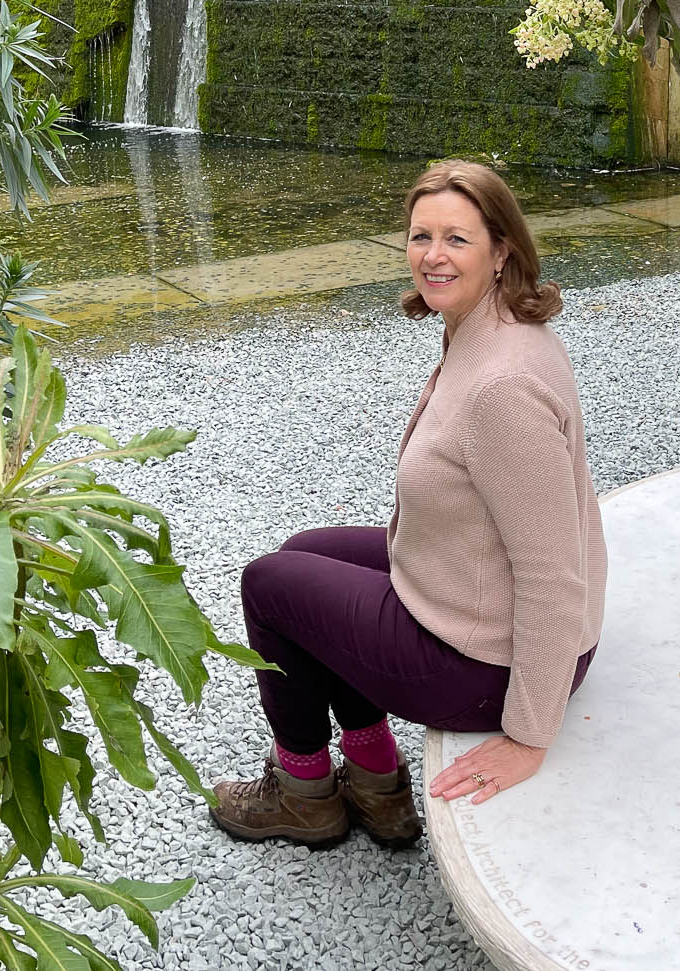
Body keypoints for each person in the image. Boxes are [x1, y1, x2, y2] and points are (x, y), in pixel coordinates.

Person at [211, 158, 607, 850]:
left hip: (483, 664)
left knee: (267, 584)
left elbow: (553, 571)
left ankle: (304, 794)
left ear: (501, 247)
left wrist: (528, 736)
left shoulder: (501, 387)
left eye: (456, 238)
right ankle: (375, 780)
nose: (432, 254)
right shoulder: (492, 326)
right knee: (305, 552)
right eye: (421, 235)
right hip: (473, 598)